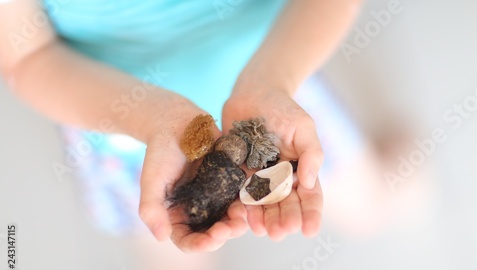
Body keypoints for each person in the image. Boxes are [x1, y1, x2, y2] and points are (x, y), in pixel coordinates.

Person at [0, 0, 362, 254]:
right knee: (171, 256)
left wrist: (273, 79)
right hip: (127, 138)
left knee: (356, 192)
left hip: (281, 89)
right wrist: (152, 116)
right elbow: (28, 59)